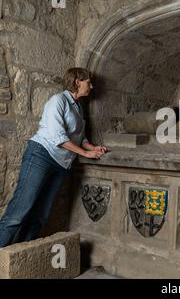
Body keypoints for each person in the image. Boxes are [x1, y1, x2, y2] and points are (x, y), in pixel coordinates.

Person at [0, 67, 107, 247]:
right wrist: (86, 153)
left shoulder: (78, 108)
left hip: (61, 165)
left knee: (40, 216)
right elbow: (58, 137)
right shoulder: (58, 101)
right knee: (19, 212)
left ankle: (19, 260)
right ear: (77, 81)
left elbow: (81, 138)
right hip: (41, 156)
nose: (92, 86)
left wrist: (93, 148)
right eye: (89, 82)